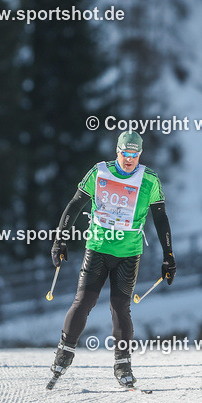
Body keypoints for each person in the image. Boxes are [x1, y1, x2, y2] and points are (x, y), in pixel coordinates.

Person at [47, 130, 175, 389]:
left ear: (140, 154)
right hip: (98, 248)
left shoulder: (149, 179)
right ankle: (64, 353)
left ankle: (123, 364)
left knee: (120, 308)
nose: (129, 159)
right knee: (84, 301)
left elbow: (160, 218)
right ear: (117, 151)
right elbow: (75, 205)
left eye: (134, 154)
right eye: (125, 153)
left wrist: (168, 256)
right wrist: (60, 240)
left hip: (129, 253)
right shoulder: (99, 173)